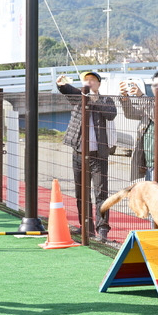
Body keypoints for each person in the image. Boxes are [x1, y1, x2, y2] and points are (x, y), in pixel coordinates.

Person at [56, 71, 117, 242]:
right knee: (81, 192)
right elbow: (66, 90)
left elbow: (111, 114)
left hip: (99, 155)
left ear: (98, 84)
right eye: (86, 80)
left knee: (101, 193)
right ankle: (86, 227)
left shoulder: (106, 100)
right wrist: (60, 84)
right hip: (79, 153)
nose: (89, 83)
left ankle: (103, 229)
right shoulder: (78, 97)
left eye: (93, 81)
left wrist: (95, 99)